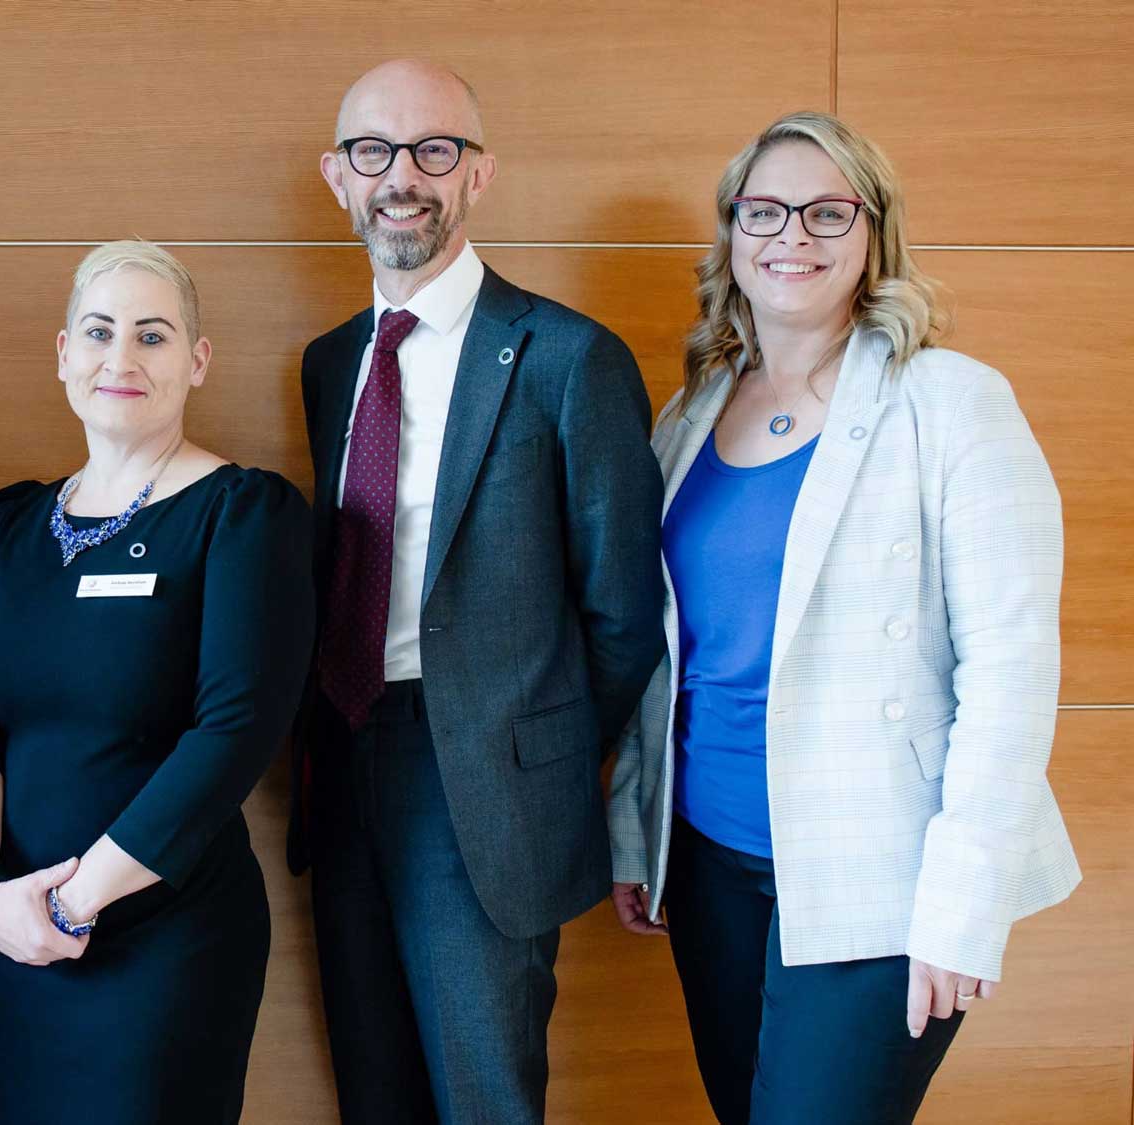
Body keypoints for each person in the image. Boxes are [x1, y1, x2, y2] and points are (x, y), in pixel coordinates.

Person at [606, 111, 1080, 1125]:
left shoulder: (949, 403)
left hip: (880, 881)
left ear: (872, 236)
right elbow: (663, 655)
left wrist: (961, 910)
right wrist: (635, 839)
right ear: (730, 233)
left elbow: (1007, 671)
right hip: (708, 861)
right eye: (764, 210)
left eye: (827, 212)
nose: (792, 236)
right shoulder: (687, 414)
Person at [290, 59, 666, 1124]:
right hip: (342, 759)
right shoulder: (329, 364)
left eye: (432, 150)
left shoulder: (565, 358)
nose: (400, 177)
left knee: (484, 1097)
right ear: (336, 176)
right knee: (374, 1089)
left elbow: (622, 611)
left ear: (478, 174)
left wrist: (525, 746)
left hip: (483, 789)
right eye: (373, 152)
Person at [0, 240, 314, 1124]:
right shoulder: (13, 520)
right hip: (13, 935)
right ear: (63, 352)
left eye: (153, 335)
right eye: (99, 332)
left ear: (197, 361)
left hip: (165, 940)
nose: (122, 358)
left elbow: (236, 732)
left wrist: (73, 902)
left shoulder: (243, 511)